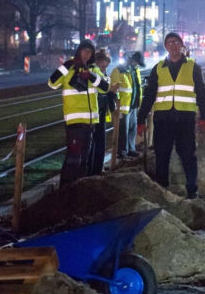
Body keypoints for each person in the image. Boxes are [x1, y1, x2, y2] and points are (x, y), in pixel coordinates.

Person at [137, 31, 205, 199]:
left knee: (188, 155)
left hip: (185, 119)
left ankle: (192, 190)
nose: (173, 45)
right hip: (163, 120)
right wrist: (141, 119)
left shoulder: (192, 67)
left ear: (181, 45)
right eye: (170, 42)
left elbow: (202, 93)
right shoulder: (159, 68)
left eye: (176, 42)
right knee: (162, 155)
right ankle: (162, 191)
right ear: (166, 46)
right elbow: (149, 95)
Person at [48, 39, 109, 185]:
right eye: (84, 51)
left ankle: (78, 187)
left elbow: (105, 87)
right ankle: (67, 188)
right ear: (78, 51)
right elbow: (52, 83)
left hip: (90, 123)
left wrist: (91, 76)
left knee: (84, 159)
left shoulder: (93, 69)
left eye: (90, 52)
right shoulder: (68, 66)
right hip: (75, 122)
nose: (87, 54)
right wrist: (69, 66)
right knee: (74, 158)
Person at [111, 51, 144, 158]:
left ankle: (131, 149)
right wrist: (116, 106)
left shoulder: (135, 70)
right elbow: (113, 89)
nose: (137, 64)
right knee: (123, 130)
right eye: (136, 62)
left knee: (132, 128)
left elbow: (137, 87)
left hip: (133, 104)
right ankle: (122, 152)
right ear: (131, 59)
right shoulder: (119, 70)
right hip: (123, 106)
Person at [90, 47, 116, 175]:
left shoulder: (102, 73)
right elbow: (105, 89)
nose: (106, 68)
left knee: (99, 141)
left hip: (100, 111)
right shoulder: (95, 71)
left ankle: (97, 168)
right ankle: (95, 169)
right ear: (99, 61)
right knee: (97, 142)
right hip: (96, 112)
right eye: (104, 65)